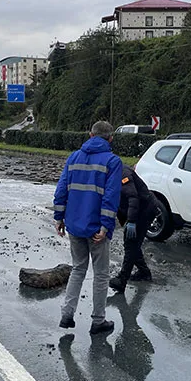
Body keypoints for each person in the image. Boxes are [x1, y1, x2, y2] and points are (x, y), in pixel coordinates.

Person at [54, 121, 122, 335]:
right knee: (101, 274)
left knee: (78, 269)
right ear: (110, 138)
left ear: (90, 135)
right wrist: (106, 225)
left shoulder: (74, 158)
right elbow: (110, 197)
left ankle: (67, 314)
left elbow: (61, 189)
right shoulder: (112, 161)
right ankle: (98, 320)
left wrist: (59, 217)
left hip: (74, 225)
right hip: (96, 229)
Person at [107, 165, 157, 293]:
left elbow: (132, 197)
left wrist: (132, 221)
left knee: (131, 243)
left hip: (144, 209)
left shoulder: (122, 173)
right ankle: (144, 272)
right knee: (131, 242)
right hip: (137, 210)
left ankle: (122, 280)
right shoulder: (109, 173)